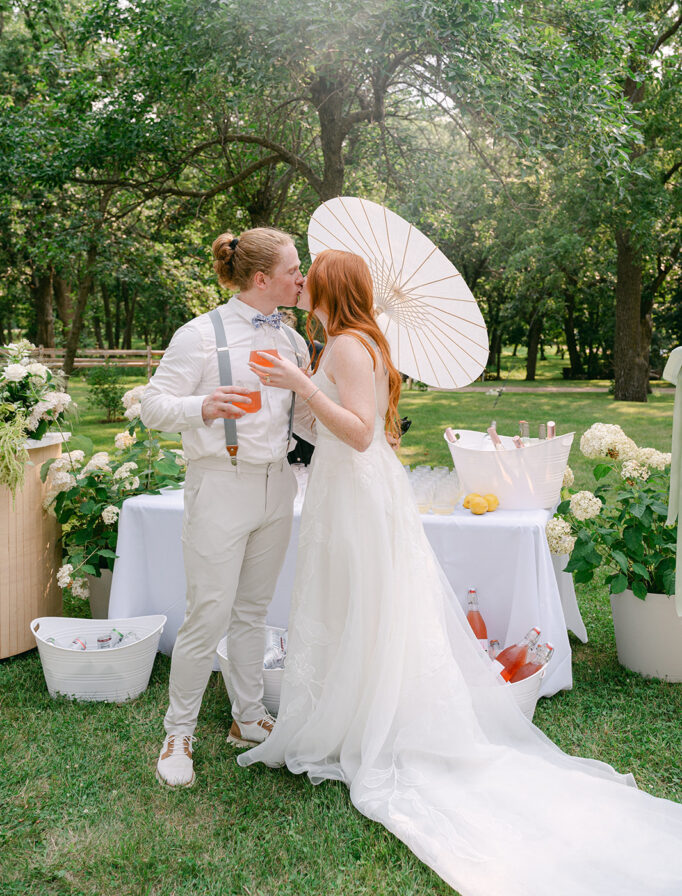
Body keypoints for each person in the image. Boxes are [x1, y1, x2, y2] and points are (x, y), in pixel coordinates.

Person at [238, 249, 682, 896]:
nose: (300, 283)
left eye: (310, 277)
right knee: (350, 602)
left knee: (364, 603)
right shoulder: (339, 344)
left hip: (356, 491)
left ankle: (364, 720)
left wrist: (307, 385)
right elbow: (324, 427)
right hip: (346, 488)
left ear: (332, 289)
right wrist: (303, 384)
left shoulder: (350, 348)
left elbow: (361, 435)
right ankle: (349, 707)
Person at [140, 227, 315, 789]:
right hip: (219, 484)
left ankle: (246, 716)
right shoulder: (199, 335)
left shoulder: (292, 341)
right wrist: (203, 405)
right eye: (294, 269)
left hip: (278, 486)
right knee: (206, 615)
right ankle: (179, 731)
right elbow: (152, 406)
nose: (302, 278)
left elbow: (305, 420)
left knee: (253, 613)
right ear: (262, 279)